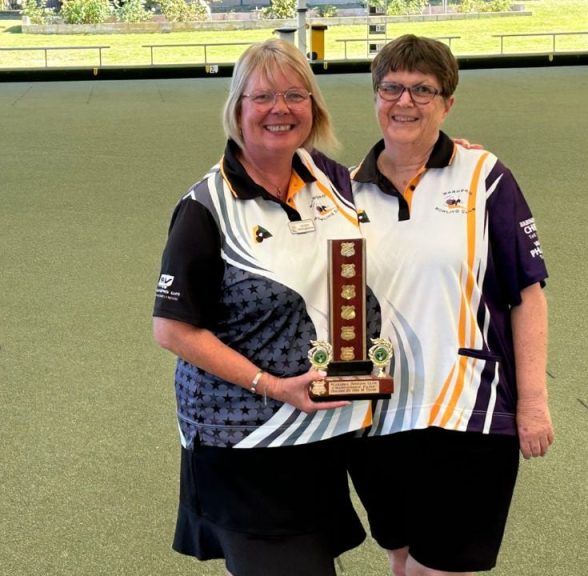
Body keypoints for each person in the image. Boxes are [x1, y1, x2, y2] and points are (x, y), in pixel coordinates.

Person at [152, 39, 377, 576]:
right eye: (264, 97)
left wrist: (446, 152)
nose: (281, 109)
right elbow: (172, 330)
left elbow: (398, 186)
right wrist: (272, 386)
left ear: (314, 107)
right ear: (238, 108)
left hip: (323, 434)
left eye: (295, 95)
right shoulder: (205, 206)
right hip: (243, 440)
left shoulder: (333, 181)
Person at [347, 35, 555, 576]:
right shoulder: (344, 193)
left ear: (447, 103)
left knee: (436, 570)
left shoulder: (484, 176)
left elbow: (526, 295)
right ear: (375, 96)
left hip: (471, 413)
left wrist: (533, 402)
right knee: (402, 561)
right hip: (377, 418)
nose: (405, 101)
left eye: (423, 90)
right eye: (392, 88)